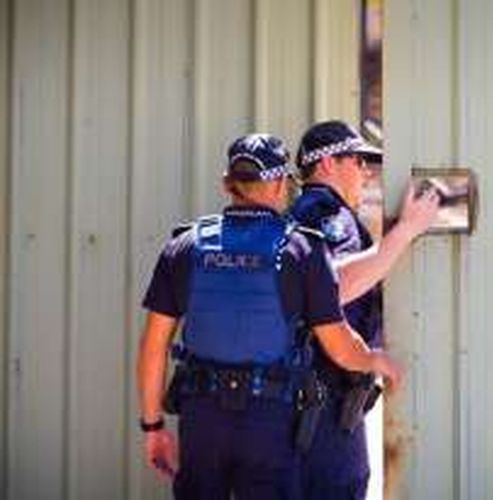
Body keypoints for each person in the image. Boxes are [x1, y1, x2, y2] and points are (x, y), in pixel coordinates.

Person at [136, 133, 403, 500]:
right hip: (272, 425)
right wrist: (375, 360)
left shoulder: (183, 247)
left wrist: (152, 427)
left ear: (227, 183)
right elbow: (339, 346)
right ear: (279, 184)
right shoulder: (301, 248)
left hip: (201, 422)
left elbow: (153, 347)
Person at [288, 120, 439, 499]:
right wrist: (406, 231)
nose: (366, 172)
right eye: (356, 160)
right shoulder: (327, 214)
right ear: (325, 165)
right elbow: (329, 287)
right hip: (323, 409)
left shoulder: (298, 215)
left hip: (307, 405)